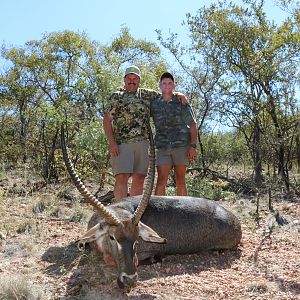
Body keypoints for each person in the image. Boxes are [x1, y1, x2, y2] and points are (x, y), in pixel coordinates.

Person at [103, 66, 187, 200]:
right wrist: (111, 142)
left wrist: (178, 94)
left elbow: (166, 94)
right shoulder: (116, 96)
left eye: (135, 78)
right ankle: (120, 213)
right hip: (121, 144)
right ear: (124, 79)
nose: (132, 81)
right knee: (121, 177)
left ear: (139, 80)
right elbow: (107, 120)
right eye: (129, 78)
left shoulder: (147, 94)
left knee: (139, 179)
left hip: (143, 144)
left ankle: (134, 215)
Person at [150, 72, 197, 196]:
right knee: (161, 181)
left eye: (170, 83)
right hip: (163, 147)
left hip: (181, 146)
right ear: (160, 85)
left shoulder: (181, 102)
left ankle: (183, 213)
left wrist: (193, 146)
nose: (167, 86)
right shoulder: (154, 103)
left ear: (174, 85)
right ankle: (159, 213)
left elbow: (192, 125)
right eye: (164, 83)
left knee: (180, 181)